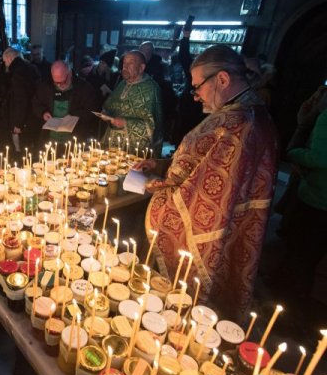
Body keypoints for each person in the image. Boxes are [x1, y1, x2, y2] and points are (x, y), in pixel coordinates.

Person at [136, 45, 278, 321]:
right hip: (235, 226)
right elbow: (200, 167)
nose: (196, 96)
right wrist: (162, 165)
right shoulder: (255, 114)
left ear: (222, 79)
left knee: (187, 302)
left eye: (198, 86)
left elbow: (200, 195)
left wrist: (155, 185)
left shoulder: (234, 124)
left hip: (213, 229)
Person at [283, 109, 327, 299]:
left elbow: (318, 157)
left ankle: (286, 303)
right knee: (310, 255)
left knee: (300, 252)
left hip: (318, 197)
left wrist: (293, 153)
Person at [102, 50, 163, 155]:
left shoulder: (151, 89)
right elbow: (109, 105)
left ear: (141, 68)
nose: (125, 67)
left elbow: (154, 126)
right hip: (112, 141)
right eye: (124, 63)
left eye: (130, 63)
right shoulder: (122, 84)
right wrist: (105, 113)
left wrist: (126, 123)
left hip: (134, 148)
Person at [32, 60, 98, 144]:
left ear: (69, 74)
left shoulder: (84, 88)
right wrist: (43, 113)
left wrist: (74, 116)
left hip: (75, 140)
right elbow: (36, 103)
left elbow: (92, 111)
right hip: (49, 140)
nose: (59, 85)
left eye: (62, 82)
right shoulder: (45, 86)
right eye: (56, 83)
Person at [2, 47, 39, 155]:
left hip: (22, 116)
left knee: (22, 148)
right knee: (30, 146)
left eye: (5, 61)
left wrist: (18, 123)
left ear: (9, 58)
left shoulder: (17, 72)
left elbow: (20, 99)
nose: (5, 65)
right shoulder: (31, 67)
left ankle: (20, 161)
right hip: (34, 113)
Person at [172, 25, 204, 146]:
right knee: (183, 133)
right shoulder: (194, 69)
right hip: (188, 106)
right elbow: (184, 56)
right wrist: (185, 37)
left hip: (201, 111)